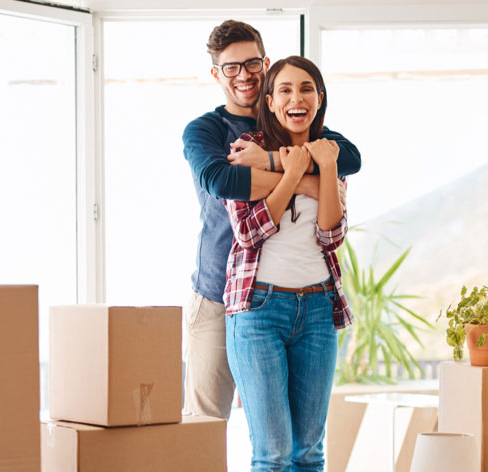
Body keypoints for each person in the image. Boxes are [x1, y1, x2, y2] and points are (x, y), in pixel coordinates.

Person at [181, 20, 361, 421]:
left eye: (251, 64)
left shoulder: (291, 124)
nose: (244, 75)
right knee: (205, 427)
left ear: (265, 65)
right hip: (216, 294)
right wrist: (309, 181)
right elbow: (225, 180)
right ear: (216, 73)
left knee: (280, 438)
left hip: (281, 298)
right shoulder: (206, 130)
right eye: (231, 67)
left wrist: (269, 162)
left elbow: (350, 158)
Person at [223, 55, 350, 472]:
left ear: (320, 98)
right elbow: (249, 232)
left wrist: (322, 169)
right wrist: (295, 176)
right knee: (273, 454)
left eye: (307, 88)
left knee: (309, 453)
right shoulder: (246, 151)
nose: (297, 99)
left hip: (316, 308)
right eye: (286, 90)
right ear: (272, 102)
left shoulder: (330, 153)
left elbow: (331, 236)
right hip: (259, 309)